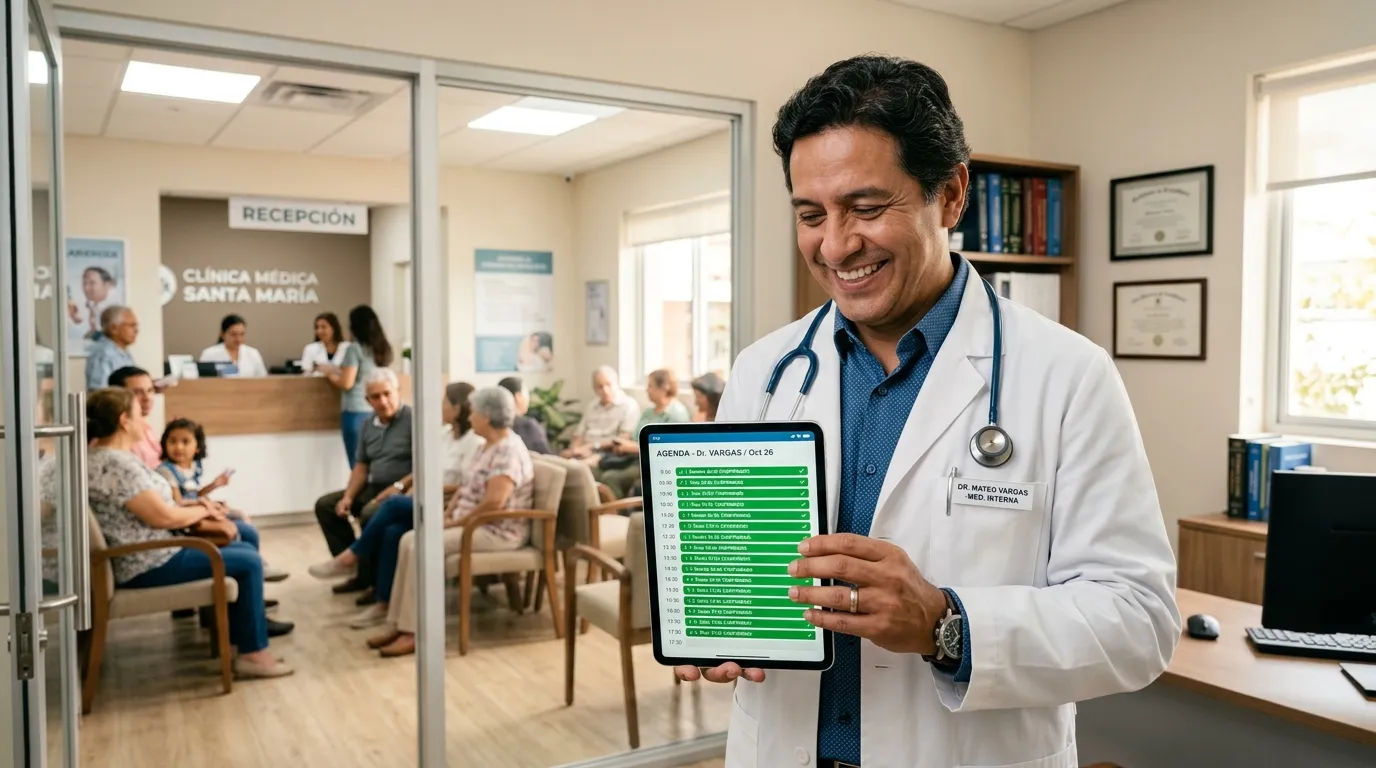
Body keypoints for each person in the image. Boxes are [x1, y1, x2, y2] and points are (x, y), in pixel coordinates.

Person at [677, 56, 1179, 768]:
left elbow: (1139, 621)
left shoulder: (1068, 374)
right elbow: (743, 567)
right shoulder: (765, 369)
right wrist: (718, 621)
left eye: (866, 208)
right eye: (811, 215)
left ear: (950, 195)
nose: (835, 245)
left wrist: (946, 624)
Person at [72, 388, 294, 678]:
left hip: (147, 553)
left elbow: (155, 508)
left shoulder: (105, 458)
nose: (144, 422)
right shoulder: (116, 465)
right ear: (124, 420)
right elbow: (163, 516)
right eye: (139, 415)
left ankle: (243, 640)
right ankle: (253, 655)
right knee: (249, 561)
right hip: (146, 562)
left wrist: (200, 506)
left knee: (244, 547)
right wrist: (203, 510)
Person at [363, 386, 533, 658]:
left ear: (486, 417)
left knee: (420, 546)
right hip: (471, 523)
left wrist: (456, 524)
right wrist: (446, 517)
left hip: (495, 530)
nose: (469, 416)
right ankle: (400, 624)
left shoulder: (508, 451)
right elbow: (464, 488)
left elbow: (494, 503)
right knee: (408, 540)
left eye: (474, 412)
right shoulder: (487, 445)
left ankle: (415, 633)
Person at [307, 382, 483, 628]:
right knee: (392, 533)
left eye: (444, 402)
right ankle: (383, 603)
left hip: (445, 504)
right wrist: (410, 487)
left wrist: (415, 489)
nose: (440, 407)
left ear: (457, 408)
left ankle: (351, 557)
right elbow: (422, 467)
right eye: (375, 396)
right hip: (421, 497)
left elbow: (466, 485)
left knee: (387, 506)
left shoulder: (474, 442)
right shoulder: (444, 435)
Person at [312, 367, 413, 597]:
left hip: (402, 490)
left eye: (387, 394)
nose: (383, 401)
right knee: (327, 505)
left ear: (397, 391)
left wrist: (399, 486)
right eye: (376, 397)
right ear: (367, 400)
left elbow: (424, 465)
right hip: (372, 486)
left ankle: (375, 582)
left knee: (370, 513)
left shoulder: (413, 420)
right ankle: (358, 571)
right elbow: (361, 466)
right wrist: (348, 497)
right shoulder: (367, 424)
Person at [155, 417, 289, 584]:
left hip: (198, 510)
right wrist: (207, 505)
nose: (178, 447)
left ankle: (257, 568)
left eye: (185, 442)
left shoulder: (193, 467)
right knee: (236, 523)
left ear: (197, 447)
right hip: (188, 517)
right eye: (173, 441)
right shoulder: (166, 471)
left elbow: (195, 493)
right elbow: (178, 502)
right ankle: (256, 565)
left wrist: (215, 485)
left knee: (240, 515)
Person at [595, 368, 690, 498]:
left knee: (610, 478)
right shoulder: (648, 412)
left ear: (664, 388)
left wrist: (632, 448)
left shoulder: (675, 414)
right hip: (633, 458)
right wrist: (623, 446)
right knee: (598, 470)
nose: (647, 390)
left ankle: (618, 510)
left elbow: (669, 449)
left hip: (656, 463)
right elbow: (635, 437)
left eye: (650, 386)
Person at [320, 305, 394, 468]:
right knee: (374, 463)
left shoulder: (354, 349)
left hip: (355, 411)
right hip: (377, 410)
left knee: (358, 465)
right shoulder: (382, 349)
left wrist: (329, 374)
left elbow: (347, 383)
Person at [559, 365, 639, 466]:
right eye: (600, 387)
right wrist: (574, 450)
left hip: (605, 452)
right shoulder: (592, 405)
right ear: (594, 389)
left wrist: (591, 447)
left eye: (608, 384)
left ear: (616, 384)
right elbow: (579, 433)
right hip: (584, 449)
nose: (605, 390)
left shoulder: (629, 405)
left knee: (576, 467)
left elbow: (623, 438)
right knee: (557, 463)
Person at [107, 366, 162, 469]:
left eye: (150, 390)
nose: (147, 398)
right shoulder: (115, 436)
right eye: (138, 392)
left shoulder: (146, 428)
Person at [85, 305, 138, 391]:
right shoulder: (102, 354)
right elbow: (100, 392)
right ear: (114, 328)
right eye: (132, 326)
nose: (136, 330)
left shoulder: (124, 352)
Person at [497, 376, 553, 455]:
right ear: (518, 397)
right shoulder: (528, 426)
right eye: (526, 394)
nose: (528, 399)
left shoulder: (491, 425)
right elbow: (545, 457)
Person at [200, 314, 268, 378]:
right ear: (222, 334)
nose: (238, 339)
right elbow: (202, 380)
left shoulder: (253, 353)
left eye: (242, 334)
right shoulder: (209, 354)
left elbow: (263, 379)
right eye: (233, 334)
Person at [67, 266, 117, 340]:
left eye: (92, 283)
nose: (86, 288)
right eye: (84, 283)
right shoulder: (88, 304)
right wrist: (74, 317)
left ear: (107, 285)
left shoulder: (114, 309)